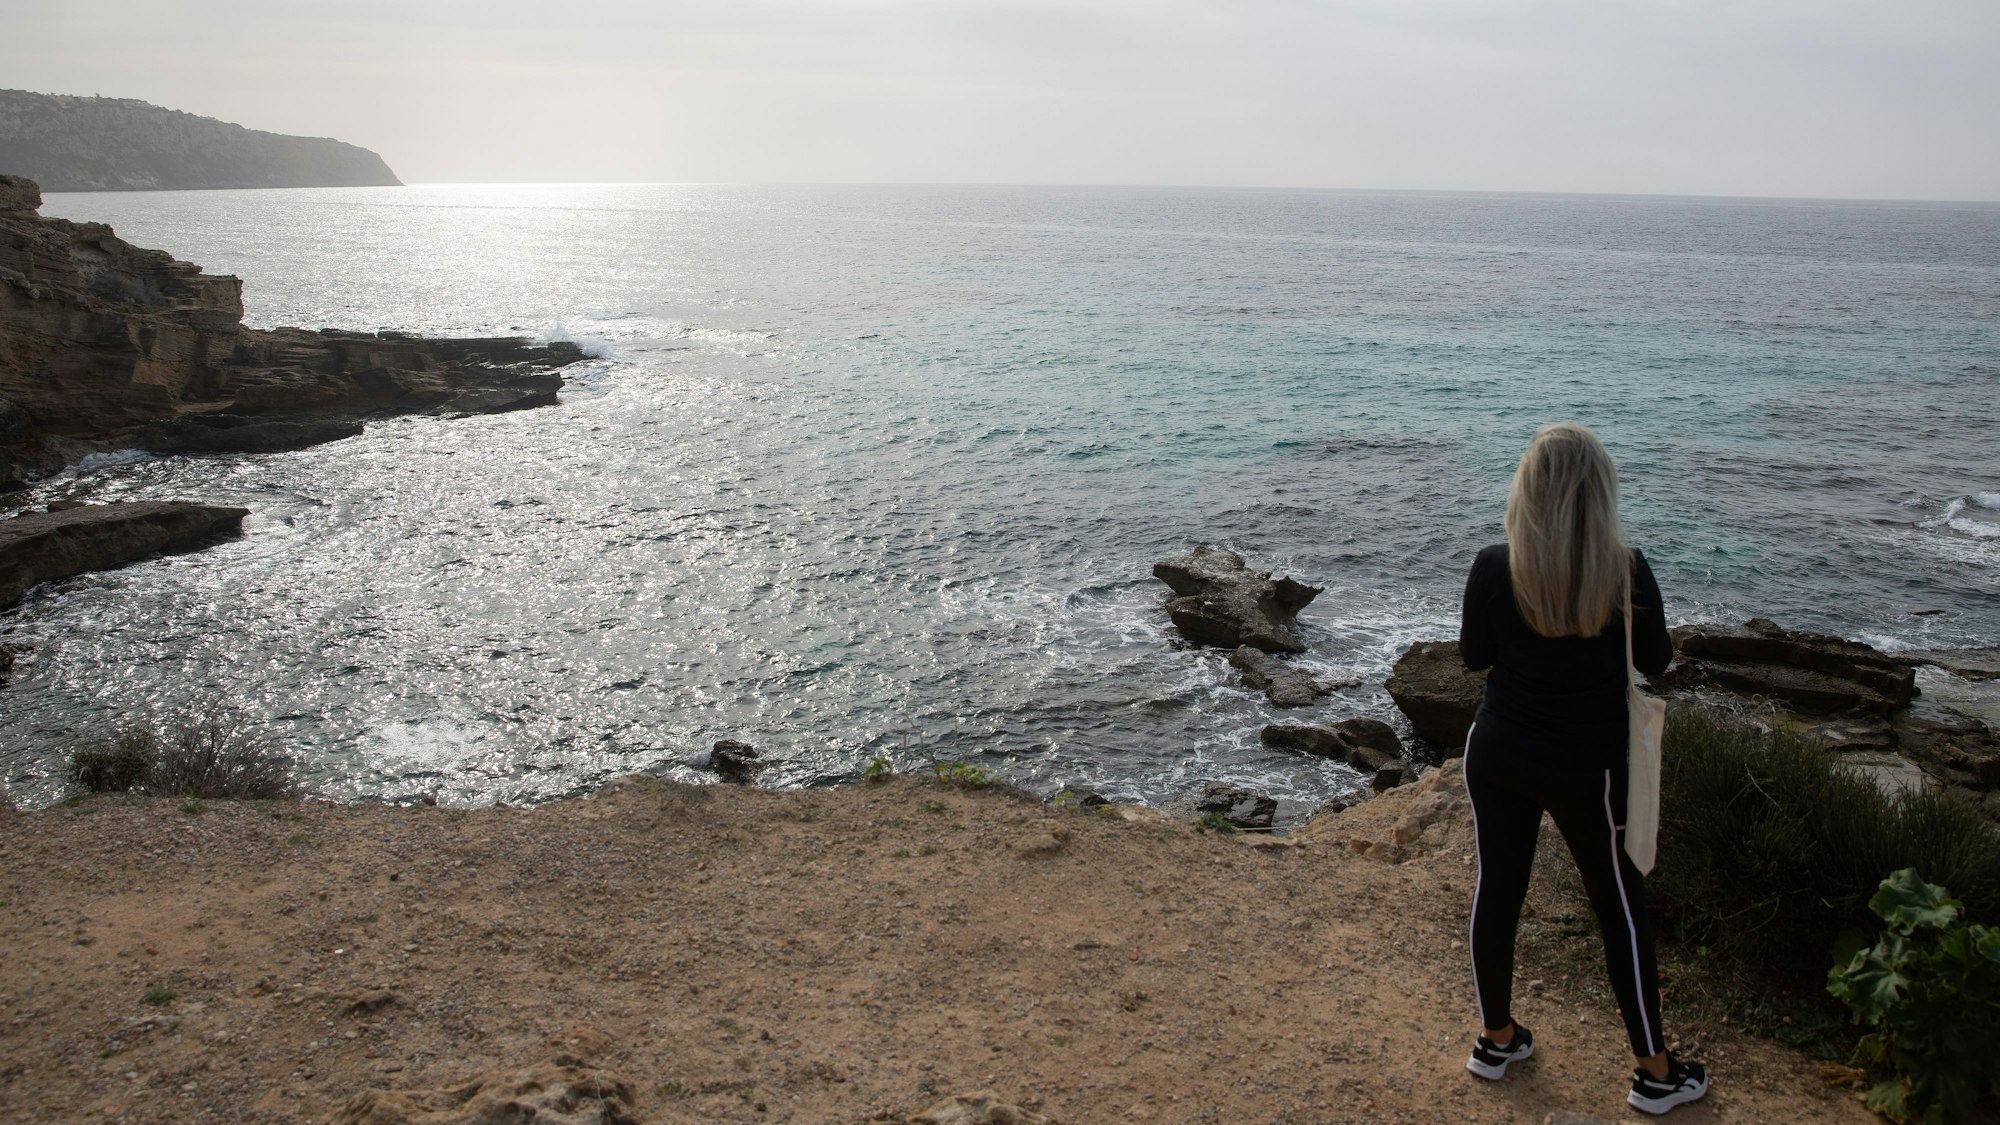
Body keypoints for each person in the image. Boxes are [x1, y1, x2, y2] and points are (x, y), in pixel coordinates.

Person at [1456, 422, 1708, 1115]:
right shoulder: (1625, 570)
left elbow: (1474, 657)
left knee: (1497, 891)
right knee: (1620, 910)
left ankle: (1496, 1039)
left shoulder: (1493, 566)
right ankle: (1655, 1073)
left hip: (1499, 752)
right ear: (1599, 492)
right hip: (1591, 769)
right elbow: (1655, 661)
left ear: (1527, 490)